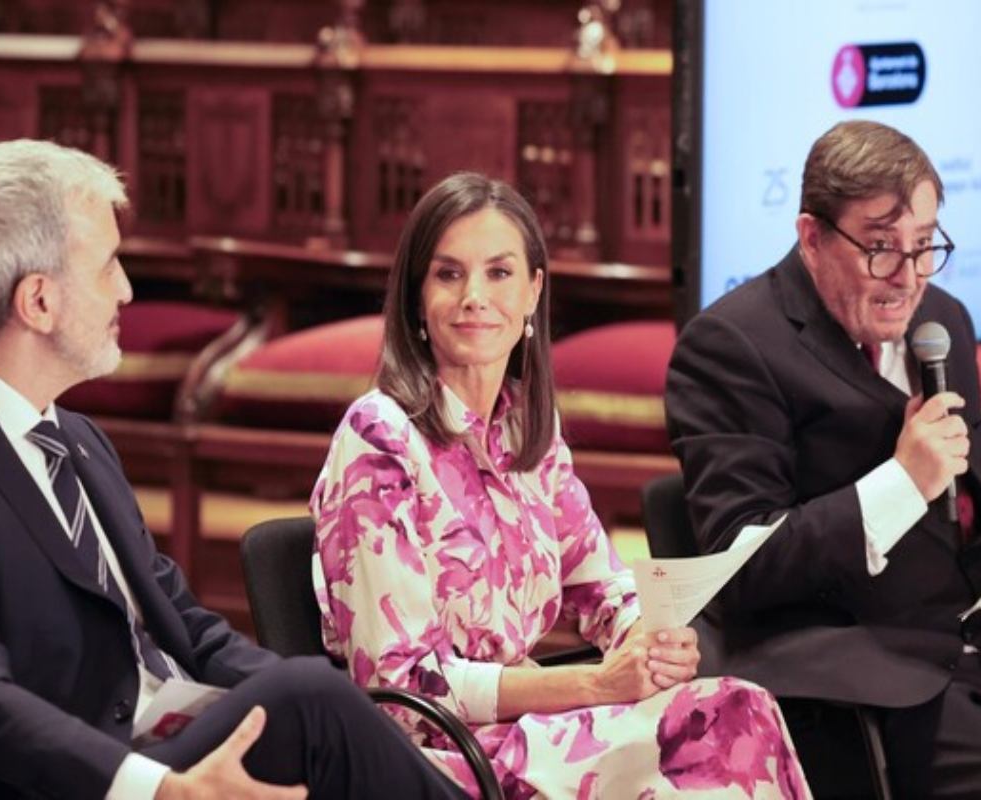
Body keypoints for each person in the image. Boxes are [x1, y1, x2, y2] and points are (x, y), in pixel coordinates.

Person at [0, 139, 470, 800]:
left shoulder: (74, 437)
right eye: (108, 266)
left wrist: (349, 704)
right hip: (61, 784)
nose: (127, 289)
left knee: (316, 693)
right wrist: (159, 788)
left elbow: (183, 625)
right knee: (306, 698)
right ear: (38, 302)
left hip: (165, 735)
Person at [311, 172, 809, 798]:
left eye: (498, 273)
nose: (474, 296)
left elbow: (602, 586)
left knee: (738, 707)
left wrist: (646, 643)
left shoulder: (527, 429)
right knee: (723, 733)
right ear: (415, 296)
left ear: (532, 292)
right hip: (436, 758)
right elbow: (404, 691)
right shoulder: (379, 437)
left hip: (531, 734)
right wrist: (597, 685)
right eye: (448, 274)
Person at [666, 119, 981, 797]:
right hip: (857, 678)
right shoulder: (731, 347)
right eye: (881, 249)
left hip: (975, 639)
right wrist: (903, 481)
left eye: (924, 247)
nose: (907, 279)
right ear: (812, 236)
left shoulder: (945, 321)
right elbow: (739, 563)